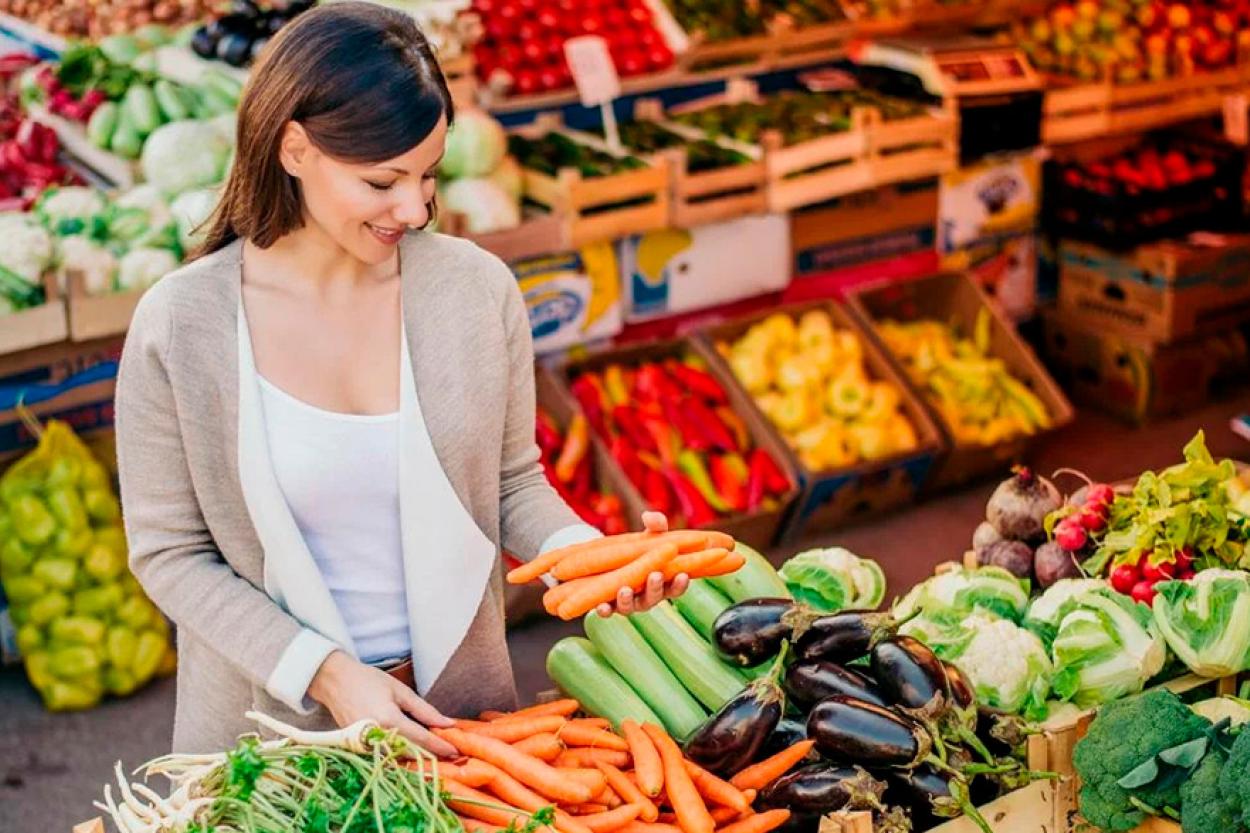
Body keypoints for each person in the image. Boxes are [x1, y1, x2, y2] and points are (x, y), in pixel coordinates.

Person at [114, 1, 687, 756]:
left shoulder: (476, 291)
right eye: (383, 181)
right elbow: (170, 553)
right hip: (269, 737)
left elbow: (511, 484)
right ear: (293, 148)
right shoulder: (181, 325)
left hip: (461, 726)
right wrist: (326, 672)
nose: (414, 208)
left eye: (427, 175)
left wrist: (595, 561)